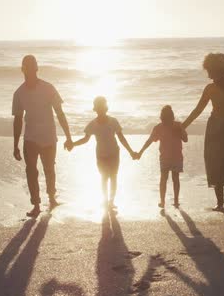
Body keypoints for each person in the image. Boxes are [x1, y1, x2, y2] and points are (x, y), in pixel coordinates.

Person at [181, 53, 224, 211]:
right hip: (214, 129)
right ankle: (219, 202)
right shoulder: (210, 88)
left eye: (209, 70)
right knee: (214, 162)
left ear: (217, 69)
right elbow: (198, 110)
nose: (208, 74)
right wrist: (183, 126)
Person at [12, 55, 73, 217]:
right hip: (30, 138)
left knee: (49, 169)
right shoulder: (19, 93)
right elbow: (17, 120)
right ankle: (36, 205)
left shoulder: (48, 88)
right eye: (27, 66)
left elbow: (60, 113)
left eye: (32, 66)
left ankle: (52, 197)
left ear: (37, 68)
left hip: (48, 137)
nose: (30, 69)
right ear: (22, 69)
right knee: (31, 171)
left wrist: (68, 136)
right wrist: (15, 145)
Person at [68, 96, 136, 208]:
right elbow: (85, 139)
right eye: (98, 107)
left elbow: (121, 138)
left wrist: (131, 152)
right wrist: (73, 144)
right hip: (101, 156)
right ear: (95, 109)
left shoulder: (113, 121)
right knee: (104, 178)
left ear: (105, 108)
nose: (100, 109)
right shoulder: (92, 124)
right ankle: (105, 201)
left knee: (113, 177)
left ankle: (111, 201)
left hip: (114, 154)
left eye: (102, 106)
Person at [135, 105, 187, 208]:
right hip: (169, 157)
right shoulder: (162, 127)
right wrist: (140, 152)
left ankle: (166, 201)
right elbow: (149, 141)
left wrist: (140, 152)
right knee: (171, 179)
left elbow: (185, 139)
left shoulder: (174, 126)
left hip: (172, 157)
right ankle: (170, 201)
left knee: (168, 179)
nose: (165, 120)